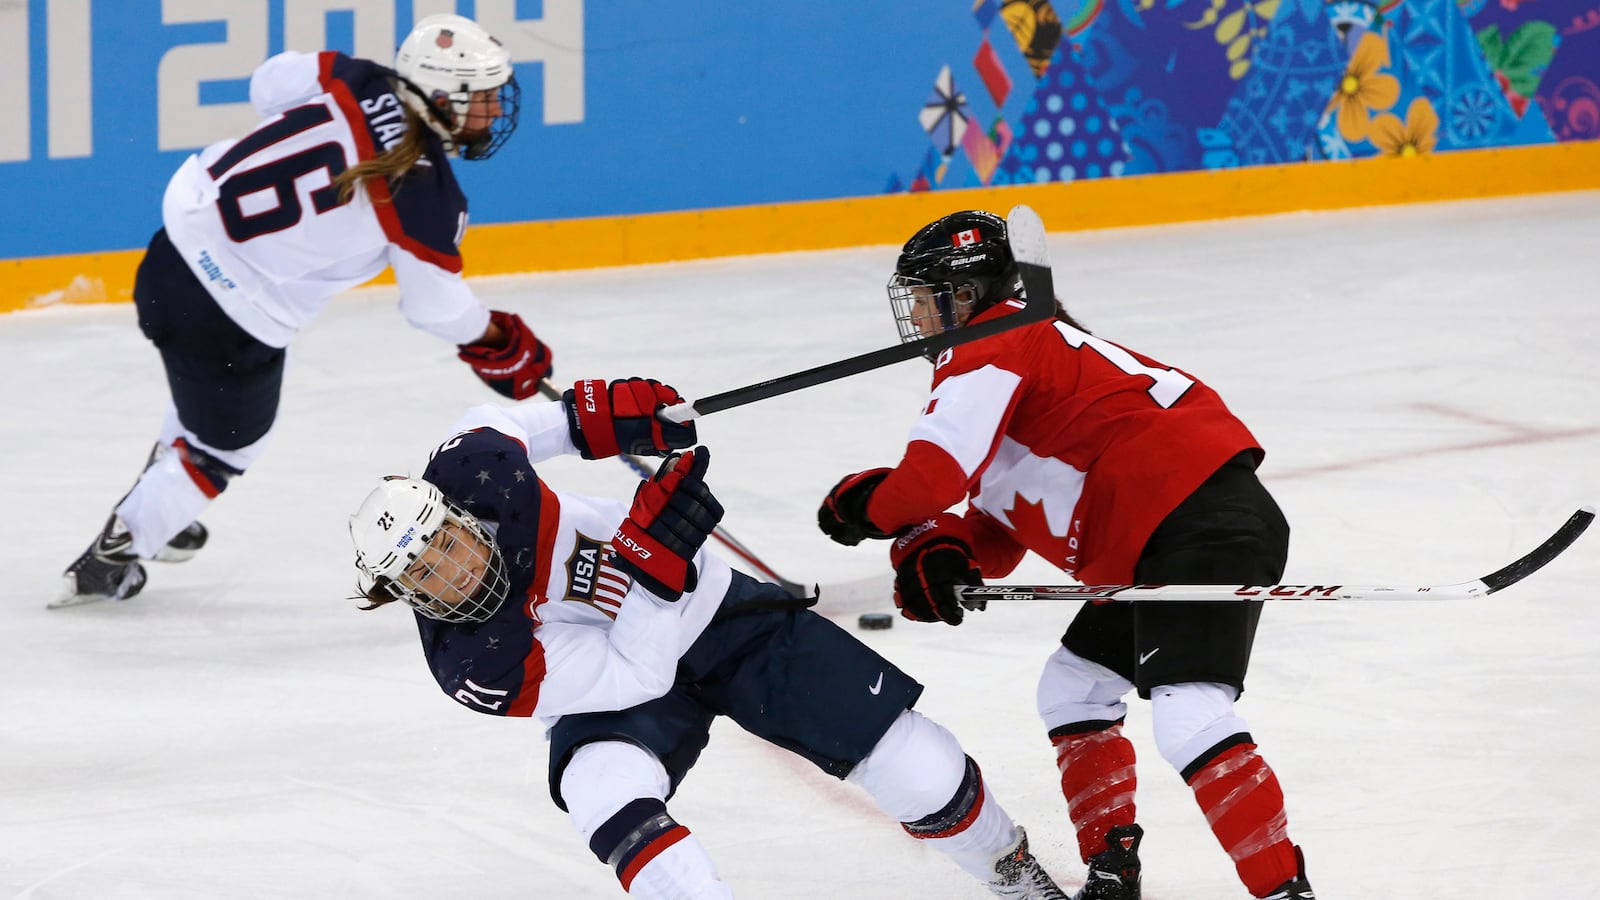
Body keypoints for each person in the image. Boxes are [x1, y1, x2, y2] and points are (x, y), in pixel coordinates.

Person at [347, 377, 1072, 899]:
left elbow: (518, 425)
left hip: (722, 615)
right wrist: (650, 565)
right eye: (422, 573)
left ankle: (1007, 866)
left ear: (455, 514)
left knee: (919, 766)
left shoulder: (479, 472)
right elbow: (636, 675)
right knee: (600, 789)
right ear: (403, 594)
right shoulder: (476, 664)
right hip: (620, 681)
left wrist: (596, 418)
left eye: (444, 542)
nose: (451, 570)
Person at [815, 210, 1316, 900]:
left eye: (929, 302)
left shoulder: (996, 340)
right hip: (1157, 542)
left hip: (1192, 520)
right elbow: (995, 536)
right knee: (1073, 687)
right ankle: (1113, 872)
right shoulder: (1028, 373)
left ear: (966, 298)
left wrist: (873, 510)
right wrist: (939, 550)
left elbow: (929, 478)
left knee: (1189, 714)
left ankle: (1285, 890)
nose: (921, 322)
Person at [54, 14, 552, 608]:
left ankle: (157, 506)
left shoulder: (357, 77)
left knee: (203, 402)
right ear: (441, 96)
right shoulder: (425, 195)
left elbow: (268, 82)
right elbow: (434, 306)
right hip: (227, 318)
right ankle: (111, 557)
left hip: (169, 259)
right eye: (484, 99)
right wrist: (496, 339)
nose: (494, 113)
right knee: (224, 448)